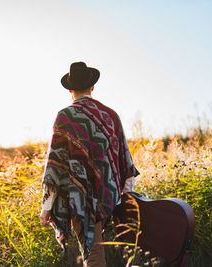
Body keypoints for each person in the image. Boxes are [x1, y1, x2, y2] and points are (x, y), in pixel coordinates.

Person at [40, 61, 140, 266]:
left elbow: (55, 165)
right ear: (92, 86)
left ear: (70, 90)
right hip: (111, 193)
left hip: (81, 197)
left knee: (93, 253)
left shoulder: (65, 117)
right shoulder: (111, 116)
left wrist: (47, 206)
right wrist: (125, 196)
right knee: (118, 250)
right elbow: (124, 158)